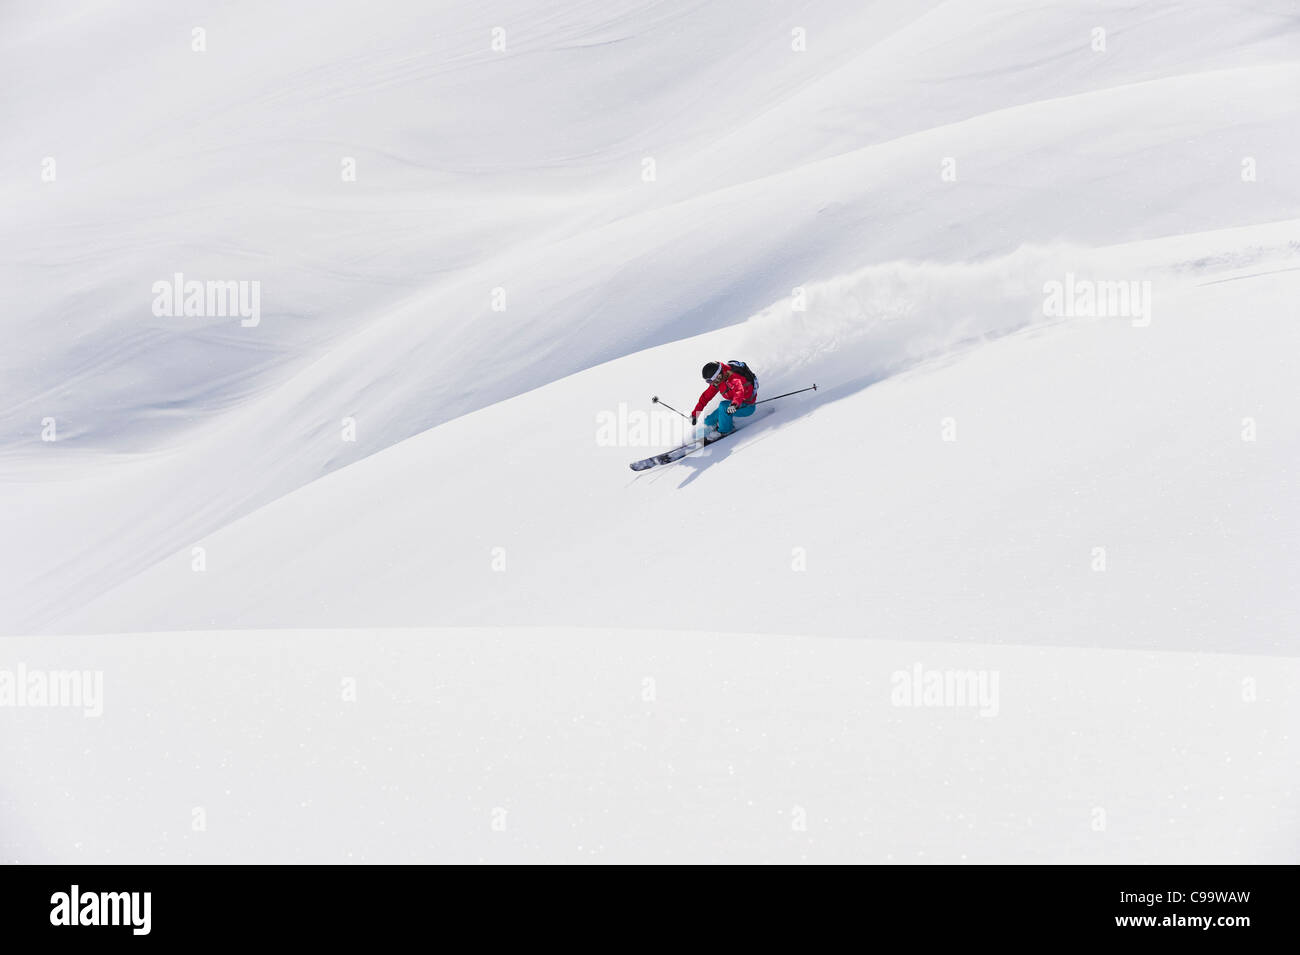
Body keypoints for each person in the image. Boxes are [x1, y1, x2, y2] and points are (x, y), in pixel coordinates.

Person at [691, 361, 758, 435]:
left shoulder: (734, 378)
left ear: (718, 376)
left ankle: (725, 430)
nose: (710, 383)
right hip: (733, 405)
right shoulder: (718, 381)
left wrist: (734, 404)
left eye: (710, 380)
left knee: (723, 406)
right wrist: (695, 414)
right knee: (709, 421)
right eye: (707, 381)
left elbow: (739, 391)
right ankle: (712, 429)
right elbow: (705, 397)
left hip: (747, 407)